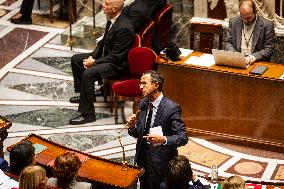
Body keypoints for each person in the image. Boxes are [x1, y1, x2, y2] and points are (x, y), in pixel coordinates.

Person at [69, 0, 134, 125]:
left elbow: (117, 56)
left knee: (88, 74)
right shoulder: (113, 19)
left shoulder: (124, 27)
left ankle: (88, 114)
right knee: (76, 59)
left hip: (117, 65)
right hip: (108, 58)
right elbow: (102, 43)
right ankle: (86, 95)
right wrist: (92, 56)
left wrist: (94, 62)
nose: (103, 5)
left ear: (115, 8)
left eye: (107, 4)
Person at [127, 70, 188, 189]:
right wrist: (133, 126)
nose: (140, 87)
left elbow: (183, 137)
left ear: (156, 85)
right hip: (142, 159)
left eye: (144, 83)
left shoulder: (171, 108)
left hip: (161, 162)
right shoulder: (144, 103)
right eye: (140, 83)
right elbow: (139, 132)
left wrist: (164, 139)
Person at [225, 0, 276, 64]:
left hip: (257, 62)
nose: (246, 21)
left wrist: (253, 57)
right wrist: (236, 55)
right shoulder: (233, 22)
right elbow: (228, 43)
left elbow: (269, 48)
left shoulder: (267, 25)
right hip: (238, 61)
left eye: (249, 17)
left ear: (255, 12)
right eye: (242, 17)